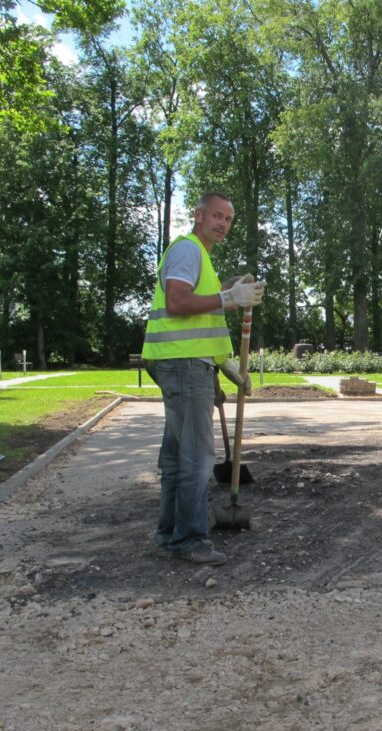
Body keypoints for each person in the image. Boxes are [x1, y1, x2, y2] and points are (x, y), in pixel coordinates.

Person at [141, 192, 265, 565]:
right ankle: (189, 540)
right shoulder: (187, 250)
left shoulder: (202, 260)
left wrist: (227, 368)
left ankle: (168, 533)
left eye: (228, 219)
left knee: (178, 456)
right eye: (216, 215)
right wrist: (228, 299)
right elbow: (178, 303)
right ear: (198, 215)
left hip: (184, 362)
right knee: (196, 457)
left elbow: (201, 325)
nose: (222, 224)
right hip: (183, 365)